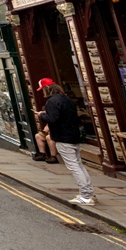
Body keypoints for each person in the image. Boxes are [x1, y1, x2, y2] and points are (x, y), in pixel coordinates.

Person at [37, 78, 95, 206]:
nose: (43, 93)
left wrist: (41, 115)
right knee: (78, 165)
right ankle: (89, 192)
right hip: (73, 136)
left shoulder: (51, 102)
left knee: (74, 166)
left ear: (47, 89)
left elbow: (53, 120)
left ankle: (86, 196)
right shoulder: (67, 99)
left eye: (43, 90)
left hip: (63, 137)